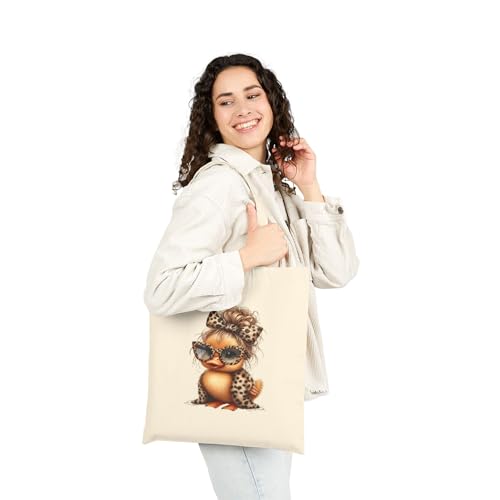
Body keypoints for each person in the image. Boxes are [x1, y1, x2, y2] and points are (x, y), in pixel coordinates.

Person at [143, 53, 360, 500]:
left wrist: (310, 188)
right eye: (226, 102)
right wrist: (245, 258)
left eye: (252, 95)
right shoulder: (218, 185)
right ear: (212, 118)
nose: (242, 109)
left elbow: (336, 272)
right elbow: (161, 288)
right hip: (231, 390)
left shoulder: (272, 185)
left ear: (272, 103)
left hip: (269, 382)